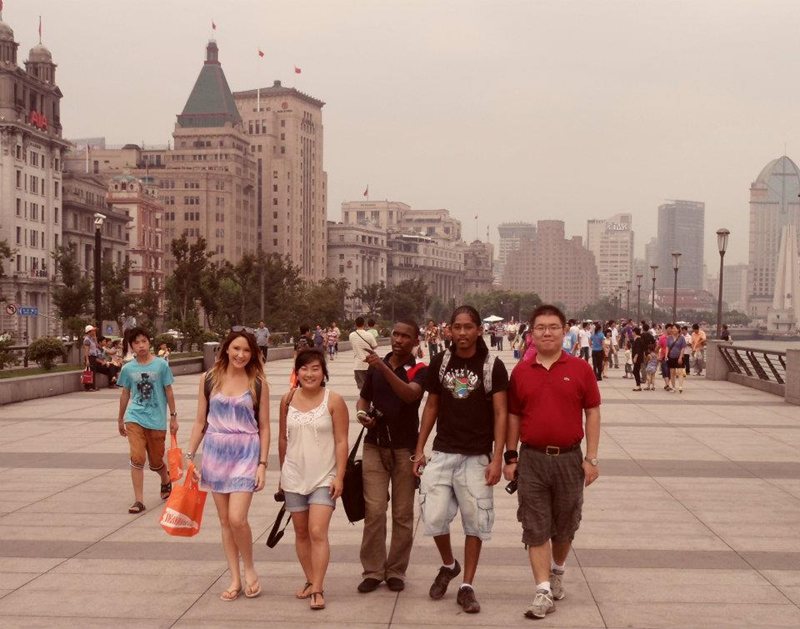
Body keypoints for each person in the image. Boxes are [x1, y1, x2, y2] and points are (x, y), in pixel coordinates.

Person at [503, 304, 601, 619]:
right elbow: (513, 416)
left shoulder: (581, 369)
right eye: (541, 327)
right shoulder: (521, 372)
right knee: (535, 526)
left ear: (564, 331)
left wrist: (592, 458)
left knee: (565, 525)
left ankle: (557, 569)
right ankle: (543, 590)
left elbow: (593, 413)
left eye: (553, 326)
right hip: (531, 459)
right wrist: (510, 455)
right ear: (532, 333)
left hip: (570, 459)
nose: (547, 332)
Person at [412, 305, 508, 615]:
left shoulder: (492, 365)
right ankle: (448, 564)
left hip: (476, 456)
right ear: (449, 330)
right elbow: (431, 407)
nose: (463, 332)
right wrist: (419, 449)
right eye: (457, 327)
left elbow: (500, 413)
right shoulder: (441, 362)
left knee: (475, 523)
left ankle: (467, 585)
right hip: (443, 452)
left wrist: (497, 458)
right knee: (433, 517)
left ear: (479, 329)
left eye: (469, 327)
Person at [186, 330, 270, 601]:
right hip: (215, 453)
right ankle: (234, 577)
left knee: (237, 518)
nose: (240, 355)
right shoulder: (208, 379)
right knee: (224, 521)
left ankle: (249, 568)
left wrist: (262, 464)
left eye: (246, 350)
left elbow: (266, 427)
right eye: (236, 349)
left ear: (253, 353)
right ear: (225, 349)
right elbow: (201, 421)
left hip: (246, 452)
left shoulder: (258, 383)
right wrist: (189, 455)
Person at [356, 318, 428, 594]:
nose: (398, 340)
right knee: (374, 511)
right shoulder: (377, 368)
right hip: (375, 446)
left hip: (405, 450)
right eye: (395, 334)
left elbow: (410, 395)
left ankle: (396, 570)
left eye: (405, 336)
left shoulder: (419, 369)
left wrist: (383, 368)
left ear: (415, 341)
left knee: (402, 514)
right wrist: (362, 414)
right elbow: (364, 398)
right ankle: (373, 570)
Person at [279, 349, 349, 611]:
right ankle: (310, 579)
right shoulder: (287, 400)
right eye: (304, 369)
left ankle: (318, 588)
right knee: (300, 532)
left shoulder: (334, 401)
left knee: (317, 531)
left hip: (324, 477)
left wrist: (339, 476)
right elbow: (283, 439)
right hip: (294, 476)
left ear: (323, 372)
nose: (309, 374)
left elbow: (342, 441)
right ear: (297, 372)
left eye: (315, 368)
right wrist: (282, 477)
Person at [116, 327, 178, 514]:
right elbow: (125, 393)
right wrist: (120, 419)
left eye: (144, 341)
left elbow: (168, 390)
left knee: (156, 461)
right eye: (136, 343)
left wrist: (173, 417)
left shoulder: (161, 365)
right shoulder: (128, 369)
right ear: (131, 346)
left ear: (149, 342)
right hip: (134, 417)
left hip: (156, 419)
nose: (141, 345)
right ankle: (139, 500)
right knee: (137, 457)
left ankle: (165, 478)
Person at [350, 316, 379, 391]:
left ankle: (364, 400)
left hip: (358, 364)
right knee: (370, 385)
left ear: (355, 324)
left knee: (361, 387)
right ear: (364, 324)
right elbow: (375, 346)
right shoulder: (369, 335)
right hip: (369, 364)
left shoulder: (351, 335)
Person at [666, 324, 687, 393]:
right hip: (671, 357)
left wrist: (680, 357)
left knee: (680, 372)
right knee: (672, 372)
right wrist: (666, 355)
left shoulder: (682, 338)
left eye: (675, 328)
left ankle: (680, 386)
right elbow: (667, 347)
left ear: (678, 329)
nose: (673, 330)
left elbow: (683, 348)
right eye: (672, 328)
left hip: (679, 357)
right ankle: (673, 387)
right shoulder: (669, 338)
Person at [631, 327, 646, 391]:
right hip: (638, 357)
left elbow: (638, 349)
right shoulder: (637, 339)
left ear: (635, 332)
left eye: (632, 332)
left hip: (638, 358)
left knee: (635, 371)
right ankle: (638, 385)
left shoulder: (638, 340)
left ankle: (638, 385)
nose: (632, 333)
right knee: (636, 371)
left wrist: (635, 357)